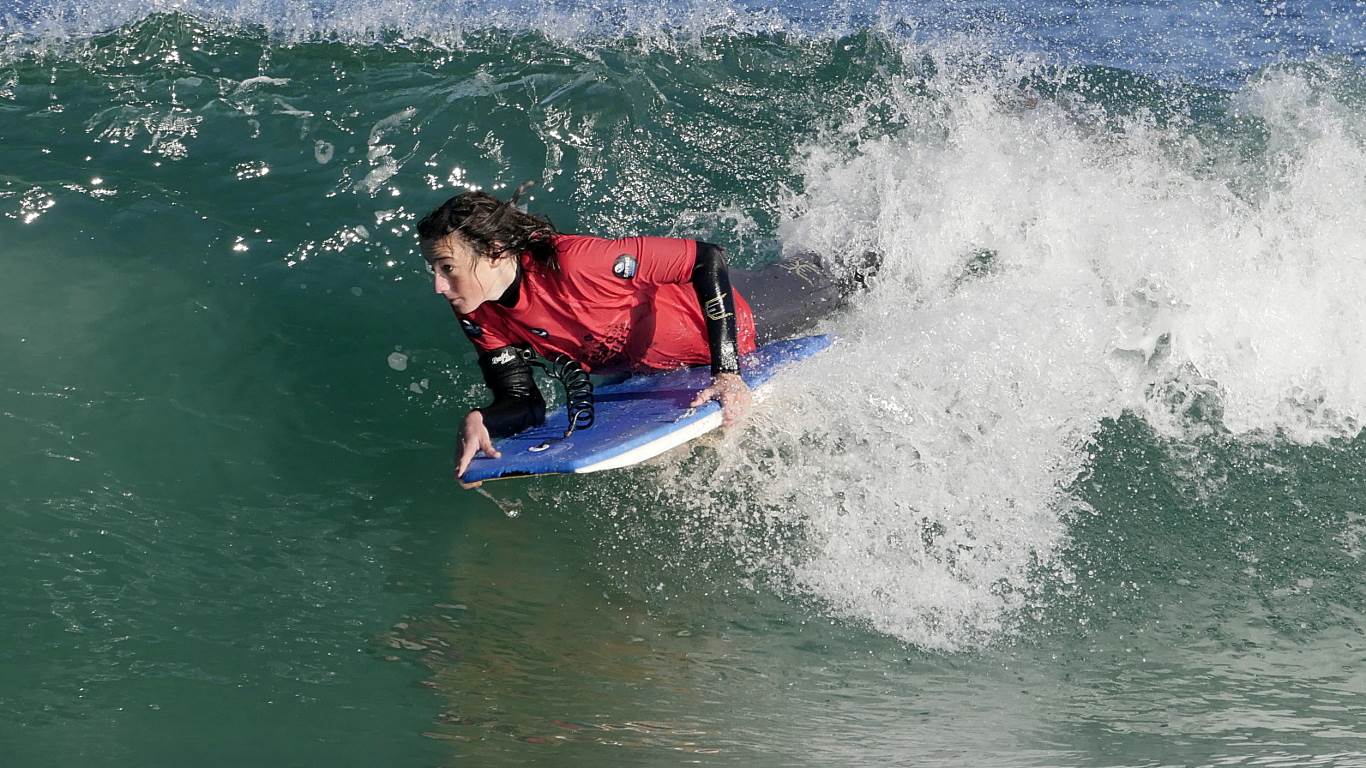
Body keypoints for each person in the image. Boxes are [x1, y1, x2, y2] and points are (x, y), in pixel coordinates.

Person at [416, 185, 874, 487]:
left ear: (495, 253)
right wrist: (485, 420)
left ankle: (898, 243)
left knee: (848, 279)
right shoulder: (481, 313)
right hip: (662, 368)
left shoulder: (576, 263)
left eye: (448, 268)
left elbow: (705, 259)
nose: (438, 285)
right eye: (434, 269)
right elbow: (525, 402)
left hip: (747, 314)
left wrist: (727, 372)